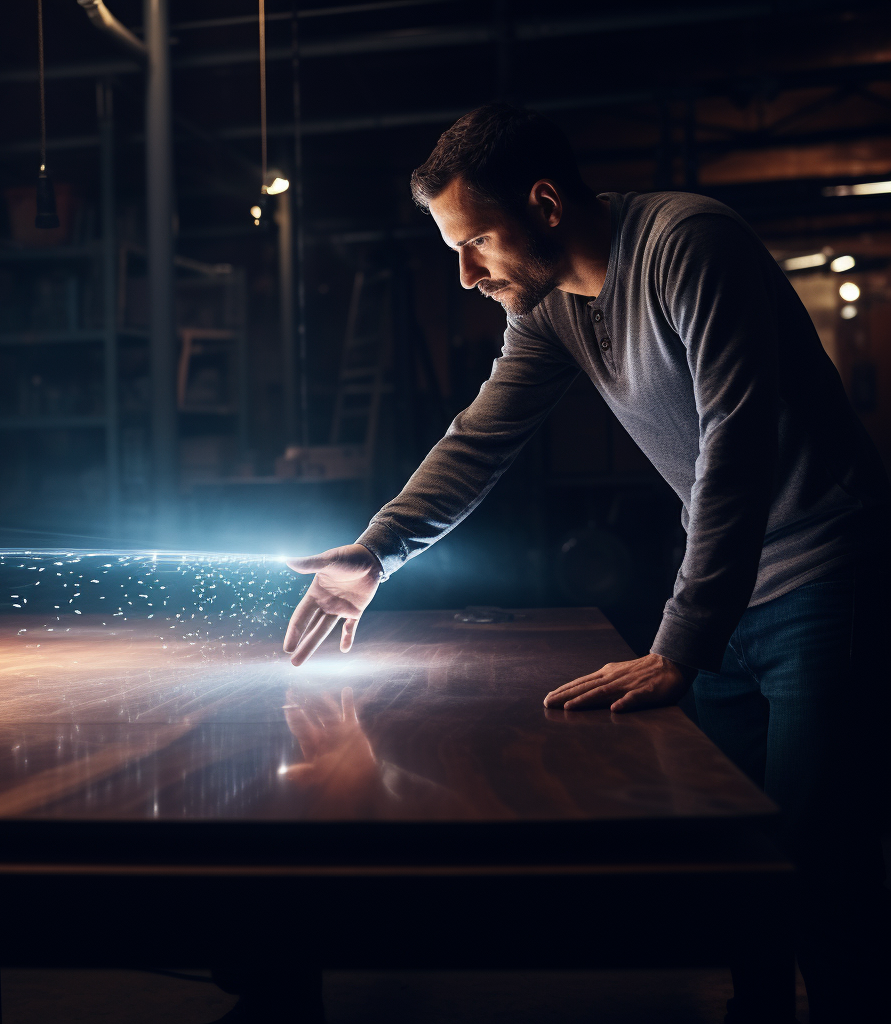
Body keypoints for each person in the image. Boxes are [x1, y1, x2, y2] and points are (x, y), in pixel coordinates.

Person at [283, 104, 889, 1024]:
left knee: (816, 860)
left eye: (477, 241)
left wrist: (680, 641)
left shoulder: (690, 243)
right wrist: (378, 551)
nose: (465, 273)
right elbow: (480, 438)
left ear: (545, 203)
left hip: (824, 579)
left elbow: (737, 446)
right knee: (738, 858)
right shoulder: (550, 308)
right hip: (728, 596)